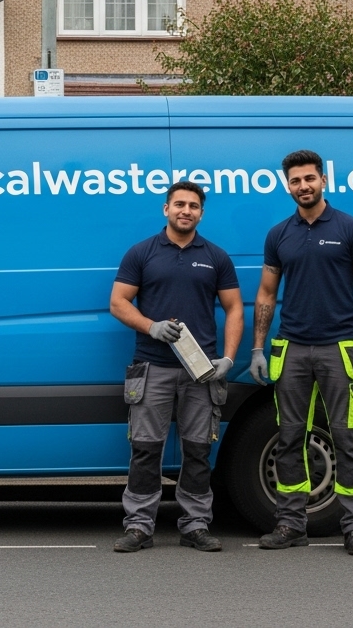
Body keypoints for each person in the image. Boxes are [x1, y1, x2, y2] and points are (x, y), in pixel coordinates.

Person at [248, 149, 353, 556]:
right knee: (289, 437)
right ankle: (291, 524)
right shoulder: (279, 235)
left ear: (323, 180)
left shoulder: (350, 227)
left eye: (309, 178)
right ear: (287, 185)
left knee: (347, 437)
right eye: (295, 180)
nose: (302, 186)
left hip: (340, 348)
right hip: (290, 348)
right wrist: (258, 347)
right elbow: (267, 293)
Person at [109, 181, 243, 553]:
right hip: (153, 367)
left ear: (201, 213)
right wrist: (150, 326)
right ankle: (139, 526)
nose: (186, 210)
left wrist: (228, 358)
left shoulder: (216, 257)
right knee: (146, 449)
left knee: (198, 451)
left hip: (201, 373)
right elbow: (119, 302)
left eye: (194, 206)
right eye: (179, 204)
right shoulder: (142, 253)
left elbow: (234, 308)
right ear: (165, 209)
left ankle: (195, 525)